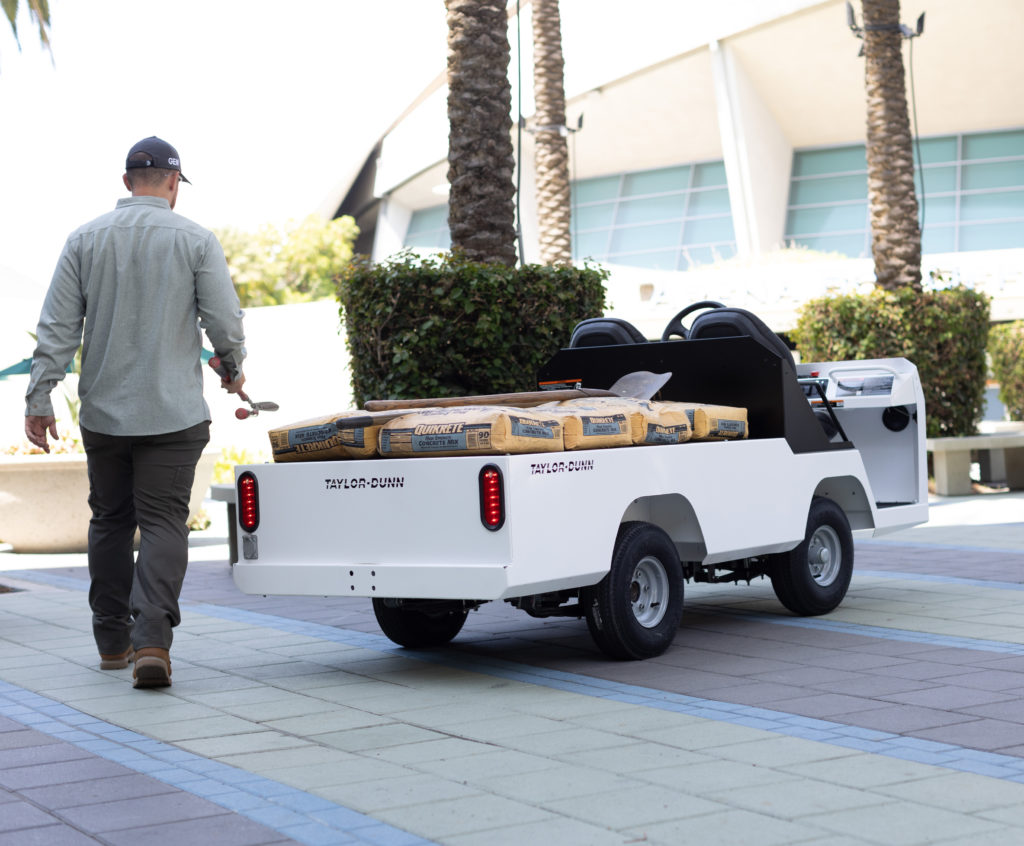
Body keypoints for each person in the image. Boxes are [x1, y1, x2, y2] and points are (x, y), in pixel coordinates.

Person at [24, 136, 247, 689]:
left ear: (127, 182)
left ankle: (111, 641)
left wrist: (40, 397)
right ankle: (152, 641)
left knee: (110, 521)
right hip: (174, 415)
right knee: (166, 523)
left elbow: (56, 327)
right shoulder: (195, 239)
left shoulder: (84, 239)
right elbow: (224, 319)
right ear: (173, 184)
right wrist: (233, 366)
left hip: (104, 415)